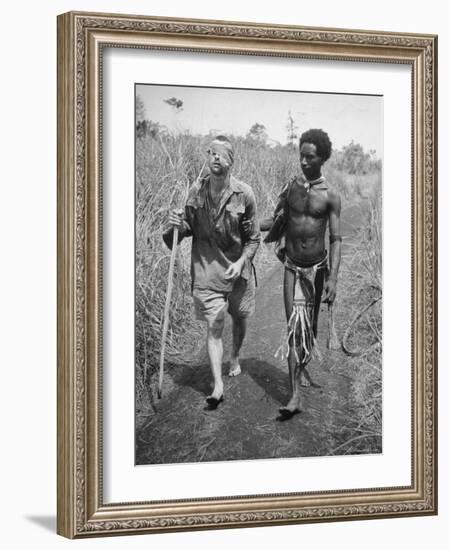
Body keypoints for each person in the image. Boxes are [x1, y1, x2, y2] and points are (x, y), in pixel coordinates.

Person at [163, 135, 260, 409]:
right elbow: (177, 237)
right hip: (207, 271)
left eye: (222, 153)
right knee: (214, 326)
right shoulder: (194, 193)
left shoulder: (245, 194)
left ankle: (236, 355)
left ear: (231, 160)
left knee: (239, 318)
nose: (215, 157)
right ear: (207, 157)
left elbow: (253, 239)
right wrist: (174, 226)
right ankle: (218, 385)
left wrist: (242, 263)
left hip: (237, 271)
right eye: (211, 152)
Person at [261, 129, 342, 420]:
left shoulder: (330, 196)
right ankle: (294, 394)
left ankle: (302, 366)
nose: (304, 162)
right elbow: (275, 219)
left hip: (317, 270)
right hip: (292, 267)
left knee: (311, 329)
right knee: (295, 329)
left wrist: (333, 278)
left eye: (310, 157)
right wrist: (243, 223)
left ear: (323, 158)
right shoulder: (290, 188)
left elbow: (336, 239)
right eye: (301, 156)